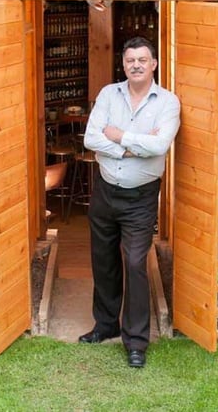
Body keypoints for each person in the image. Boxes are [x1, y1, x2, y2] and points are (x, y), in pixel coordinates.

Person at [78, 36, 181, 368]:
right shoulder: (110, 94)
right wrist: (135, 146)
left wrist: (118, 136)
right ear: (123, 64)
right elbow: (91, 137)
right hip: (105, 191)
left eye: (142, 59)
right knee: (103, 260)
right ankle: (105, 325)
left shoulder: (168, 102)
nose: (135, 65)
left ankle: (136, 341)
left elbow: (160, 145)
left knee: (135, 263)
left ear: (153, 64)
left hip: (141, 197)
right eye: (130, 60)